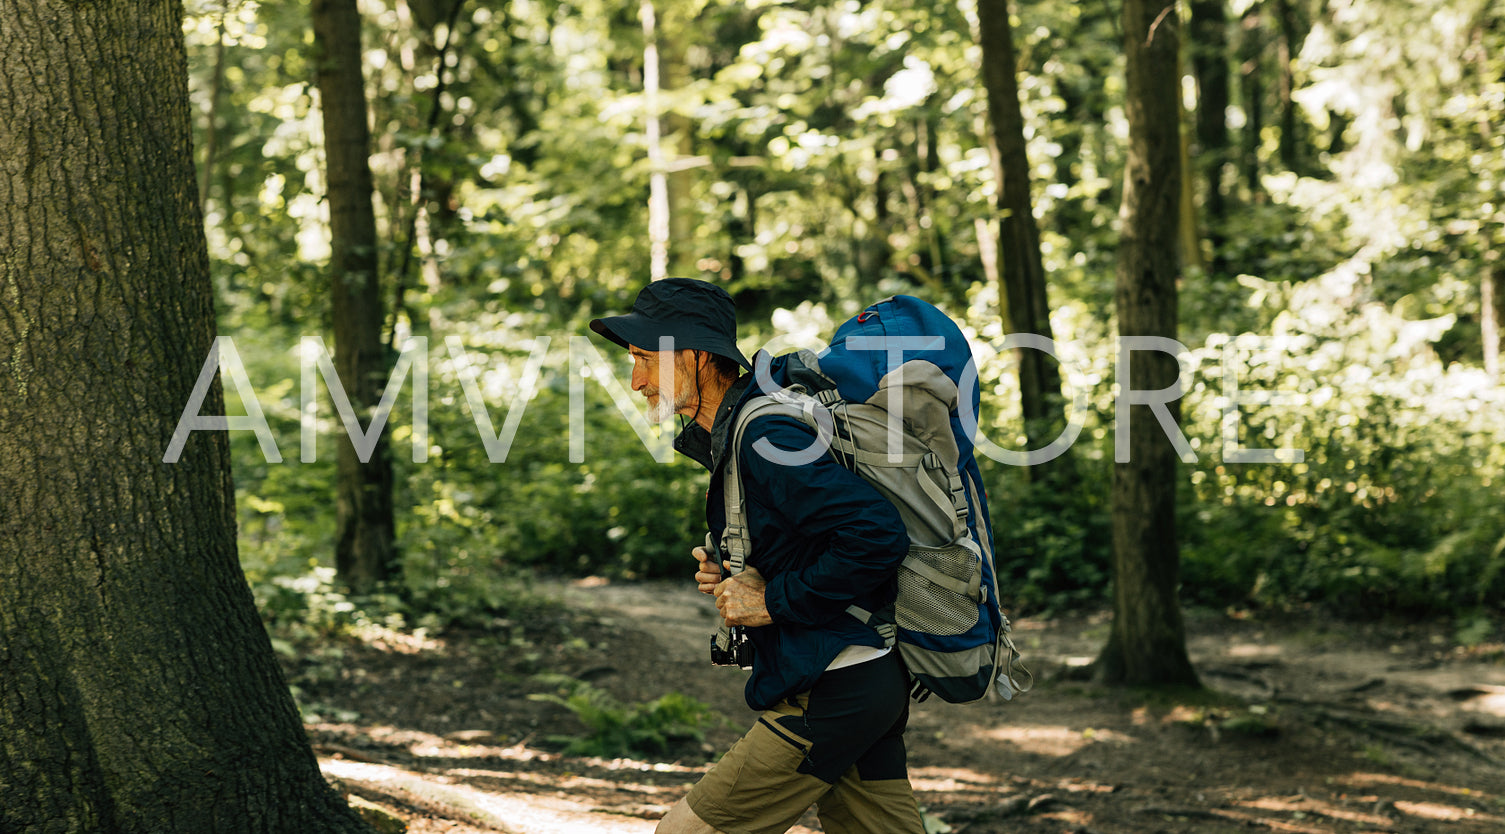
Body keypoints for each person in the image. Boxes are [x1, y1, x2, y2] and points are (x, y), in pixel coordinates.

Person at [589, 278, 925, 834]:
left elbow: (876, 535)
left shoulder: (765, 434)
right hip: (865, 678)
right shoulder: (740, 431)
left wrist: (773, 600)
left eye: (646, 359)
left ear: (696, 355)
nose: (636, 381)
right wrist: (742, 566)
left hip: (836, 685)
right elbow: (811, 532)